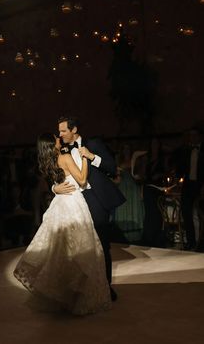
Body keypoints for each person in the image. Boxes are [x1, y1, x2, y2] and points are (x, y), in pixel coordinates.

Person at [14, 133, 111, 315]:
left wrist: (53, 188)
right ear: (53, 143)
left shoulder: (49, 161)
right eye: (56, 138)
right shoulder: (65, 157)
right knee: (81, 252)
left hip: (59, 204)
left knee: (62, 253)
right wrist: (83, 158)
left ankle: (67, 299)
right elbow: (82, 181)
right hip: (73, 204)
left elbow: (53, 184)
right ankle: (77, 300)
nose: (60, 139)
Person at [54, 117, 126, 301]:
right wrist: (53, 188)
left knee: (101, 245)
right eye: (59, 131)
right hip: (73, 201)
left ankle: (105, 287)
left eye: (63, 131)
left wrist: (91, 157)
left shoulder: (92, 143)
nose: (60, 135)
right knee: (78, 248)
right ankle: (83, 288)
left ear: (74, 129)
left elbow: (111, 167)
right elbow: (54, 175)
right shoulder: (61, 149)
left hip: (95, 199)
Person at [174, 127, 204, 250]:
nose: (192, 138)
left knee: (200, 214)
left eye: (194, 135)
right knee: (186, 213)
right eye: (190, 135)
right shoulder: (187, 150)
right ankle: (191, 242)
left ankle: (200, 242)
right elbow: (181, 168)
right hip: (188, 185)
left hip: (200, 185)